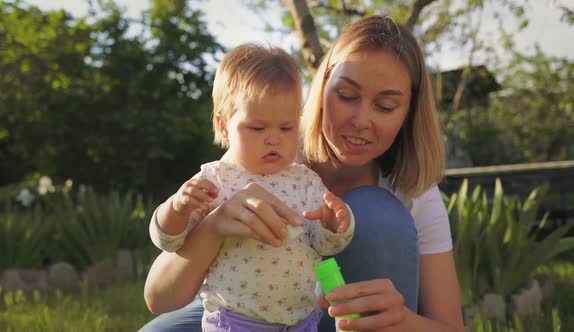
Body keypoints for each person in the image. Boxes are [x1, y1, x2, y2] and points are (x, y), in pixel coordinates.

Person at [141, 15, 464, 332]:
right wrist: (213, 227)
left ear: (408, 112)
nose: (360, 119)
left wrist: (402, 323)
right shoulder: (271, 147)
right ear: (322, 87)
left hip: (328, 317)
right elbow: (159, 296)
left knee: (376, 212)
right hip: (246, 308)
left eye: (385, 106)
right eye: (346, 95)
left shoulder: (412, 190)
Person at [148, 43, 355, 331]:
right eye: (257, 128)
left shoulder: (305, 180)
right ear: (223, 126)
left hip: (300, 320)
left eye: (286, 128)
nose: (273, 139)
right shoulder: (215, 179)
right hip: (236, 320)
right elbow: (168, 241)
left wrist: (334, 226)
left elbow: (322, 245)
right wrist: (176, 208)